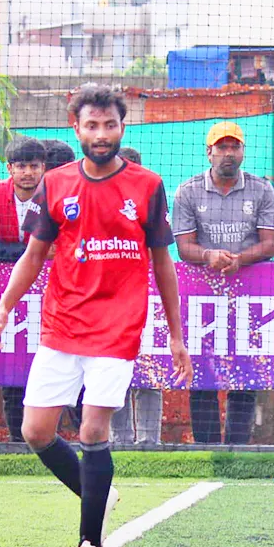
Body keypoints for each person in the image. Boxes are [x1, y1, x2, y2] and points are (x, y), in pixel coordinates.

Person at [0, 85, 190, 547]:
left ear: (122, 127)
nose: (101, 134)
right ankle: (97, 489)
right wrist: (5, 305)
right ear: (75, 128)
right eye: (92, 125)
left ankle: (89, 545)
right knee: (35, 431)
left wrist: (176, 334)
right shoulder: (55, 184)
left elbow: (163, 263)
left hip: (118, 327)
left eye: (109, 125)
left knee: (94, 430)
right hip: (62, 324)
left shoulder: (148, 185)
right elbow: (34, 255)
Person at [173, 121, 274, 444]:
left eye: (235, 147)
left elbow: (271, 244)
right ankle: (206, 448)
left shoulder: (262, 190)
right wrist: (208, 256)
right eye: (222, 147)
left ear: (243, 152)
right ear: (209, 152)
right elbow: (184, 248)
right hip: (202, 297)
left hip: (250, 295)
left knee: (245, 373)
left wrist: (240, 260)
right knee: (202, 373)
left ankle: (238, 448)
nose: (228, 153)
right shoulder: (188, 191)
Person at [0, 136, 50, 441]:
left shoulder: (55, 194)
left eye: (34, 166)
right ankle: (18, 442)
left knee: (49, 369)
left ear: (43, 167)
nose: (28, 172)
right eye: (21, 166)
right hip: (6, 296)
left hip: (49, 295)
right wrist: (34, 253)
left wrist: (35, 253)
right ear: (10, 168)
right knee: (11, 370)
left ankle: (48, 439)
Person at [110, 145, 163, 446]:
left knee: (149, 370)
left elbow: (161, 250)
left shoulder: (150, 197)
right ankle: (119, 440)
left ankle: (149, 442)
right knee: (112, 370)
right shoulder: (97, 198)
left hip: (146, 295)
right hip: (107, 298)